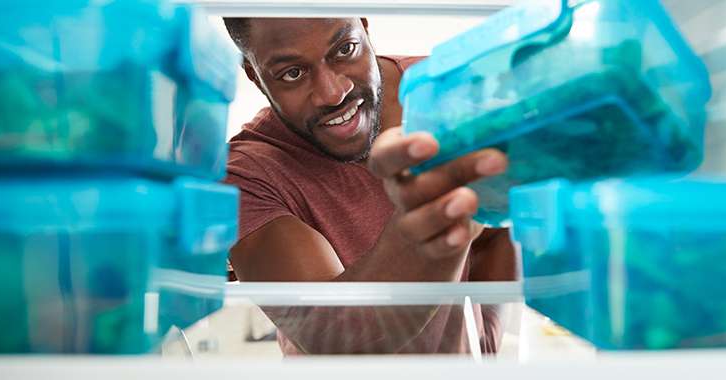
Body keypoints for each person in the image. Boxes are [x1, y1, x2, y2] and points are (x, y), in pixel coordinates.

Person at [221, 17, 519, 355]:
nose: (333, 93)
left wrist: (486, 343)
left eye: (345, 50)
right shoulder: (244, 175)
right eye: (292, 73)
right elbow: (332, 331)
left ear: (363, 25)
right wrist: (430, 223)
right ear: (254, 75)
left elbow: (497, 232)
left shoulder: (453, 96)